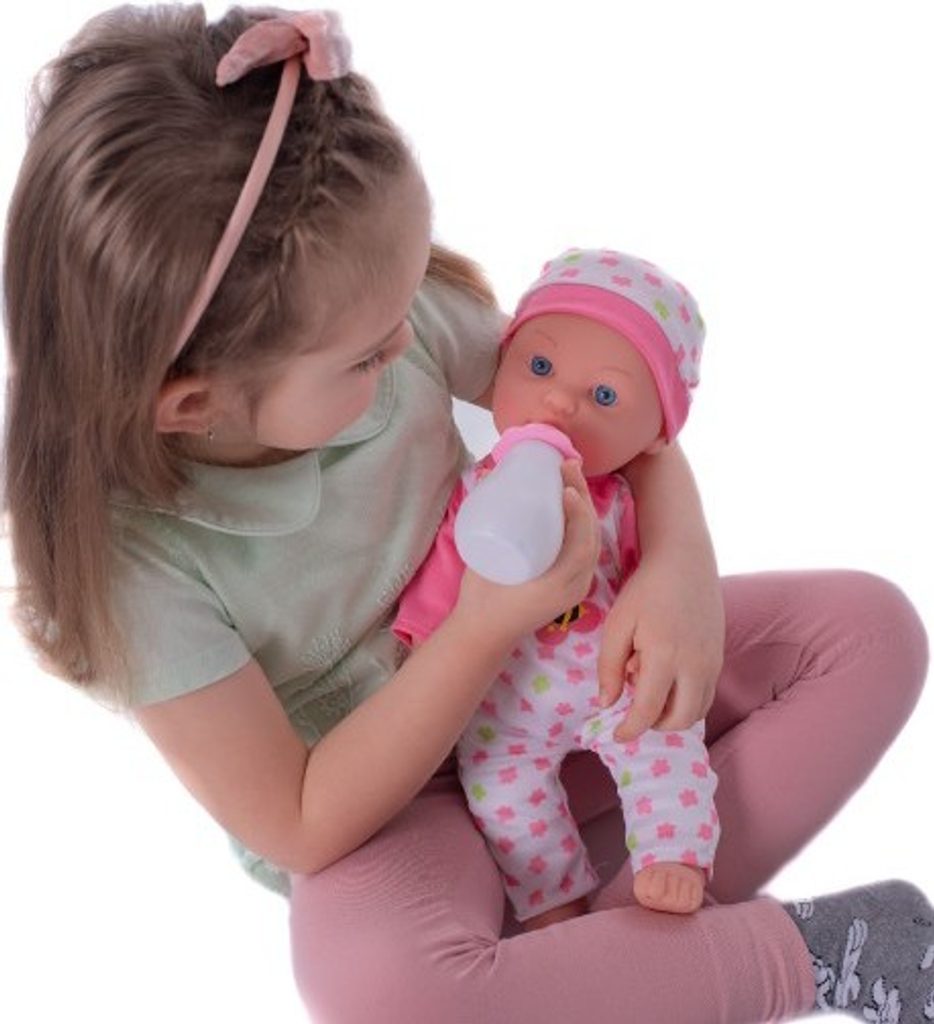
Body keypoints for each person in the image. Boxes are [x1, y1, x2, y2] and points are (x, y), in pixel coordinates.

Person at [1, 6, 929, 1023]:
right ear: (193, 404)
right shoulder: (134, 569)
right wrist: (482, 625)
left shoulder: (375, 317)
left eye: (405, 306)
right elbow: (299, 822)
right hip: (398, 812)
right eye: (367, 355)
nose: (409, 346)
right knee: (380, 989)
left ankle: (604, 967)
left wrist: (678, 572)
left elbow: (601, 417)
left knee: (868, 633)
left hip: (565, 679)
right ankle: (800, 957)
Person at [393, 247, 720, 929]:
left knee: (665, 739)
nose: (560, 401)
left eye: (605, 397)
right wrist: (422, 642)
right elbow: (447, 571)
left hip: (611, 680)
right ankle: (553, 902)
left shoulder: (623, 499)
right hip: (503, 700)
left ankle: (673, 852)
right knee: (498, 790)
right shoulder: (477, 492)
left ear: (657, 437)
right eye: (539, 367)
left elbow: (654, 587)